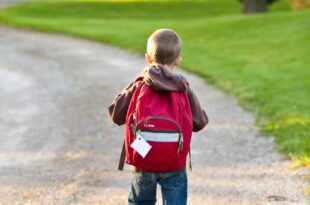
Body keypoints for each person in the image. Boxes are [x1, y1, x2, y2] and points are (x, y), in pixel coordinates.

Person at [108, 28, 208, 205]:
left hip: (143, 158)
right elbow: (199, 123)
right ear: (177, 61)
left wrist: (133, 85)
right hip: (174, 161)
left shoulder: (140, 83)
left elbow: (116, 115)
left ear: (148, 58)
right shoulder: (183, 86)